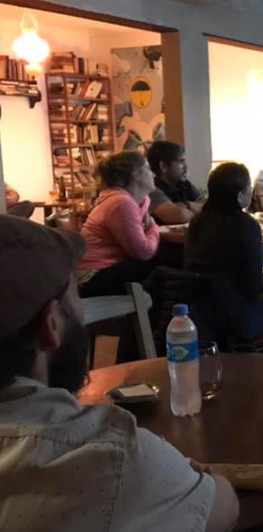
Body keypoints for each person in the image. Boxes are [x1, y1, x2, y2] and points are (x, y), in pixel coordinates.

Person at [0, 214, 239, 531]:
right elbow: (224, 506)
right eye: (76, 293)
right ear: (51, 324)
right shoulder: (103, 457)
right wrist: (189, 474)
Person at [185, 162, 263, 357]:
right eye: (248, 187)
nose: (251, 190)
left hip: (201, 314)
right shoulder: (246, 225)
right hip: (237, 317)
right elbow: (254, 286)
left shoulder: (198, 222)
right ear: (239, 195)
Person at [77, 152, 160, 297]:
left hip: (109, 268)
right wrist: (154, 228)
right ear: (135, 174)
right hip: (93, 276)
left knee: (165, 261)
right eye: (148, 169)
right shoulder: (121, 202)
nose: (153, 174)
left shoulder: (136, 201)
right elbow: (143, 251)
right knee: (164, 261)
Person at [147, 140, 206, 225]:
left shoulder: (184, 184)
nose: (186, 167)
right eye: (181, 161)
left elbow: (210, 208)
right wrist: (194, 209)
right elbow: (180, 215)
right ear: (163, 166)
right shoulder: (152, 189)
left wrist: (186, 204)